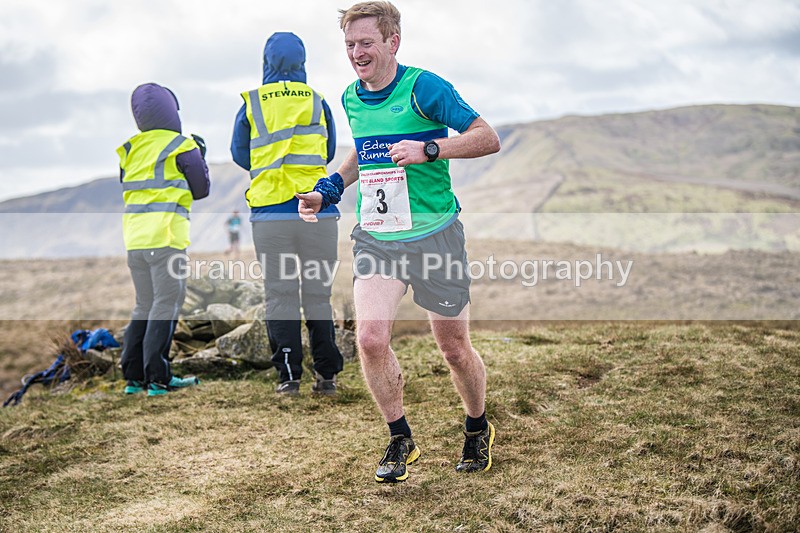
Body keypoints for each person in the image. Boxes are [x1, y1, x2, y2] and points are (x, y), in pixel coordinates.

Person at [297, 1, 501, 482]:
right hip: (379, 238)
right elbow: (362, 154)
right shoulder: (351, 98)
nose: (356, 53)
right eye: (350, 44)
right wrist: (329, 189)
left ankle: (477, 426)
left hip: (436, 236)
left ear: (393, 42)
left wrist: (430, 148)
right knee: (370, 339)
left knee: (453, 348)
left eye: (366, 42)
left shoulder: (424, 87)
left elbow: (486, 137)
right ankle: (399, 437)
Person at [231, 32, 343, 395]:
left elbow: (240, 154)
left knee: (280, 295)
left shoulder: (252, 103)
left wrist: (269, 166)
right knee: (318, 295)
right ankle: (326, 376)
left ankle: (288, 377)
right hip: (318, 212)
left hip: (271, 215)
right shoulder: (318, 101)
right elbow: (327, 152)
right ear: (302, 62)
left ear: (266, 62)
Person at [118, 82, 210, 397]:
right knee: (166, 304)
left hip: (135, 239)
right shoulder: (181, 145)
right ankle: (158, 378)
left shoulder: (128, 149)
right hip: (167, 237)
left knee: (143, 304)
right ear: (172, 110)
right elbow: (201, 189)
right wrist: (200, 156)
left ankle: (133, 379)